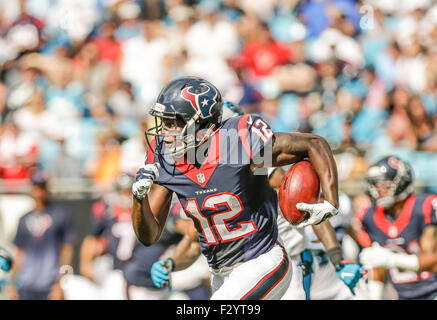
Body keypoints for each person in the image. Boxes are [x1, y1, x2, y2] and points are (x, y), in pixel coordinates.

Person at [131, 76, 340, 300]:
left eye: (173, 123)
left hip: (262, 260)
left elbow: (313, 144)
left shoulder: (237, 142)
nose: (164, 132)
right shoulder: (167, 159)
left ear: (201, 124)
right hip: (222, 274)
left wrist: (330, 201)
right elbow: (149, 236)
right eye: (164, 122)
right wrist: (138, 198)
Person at [356, 155, 437, 300]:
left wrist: (392, 260)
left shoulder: (424, 208)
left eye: (384, 185)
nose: (378, 190)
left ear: (401, 182)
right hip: (404, 296)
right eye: (375, 185)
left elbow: (434, 262)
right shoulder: (370, 216)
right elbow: (378, 264)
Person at [6, 170, 76, 300]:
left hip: (50, 285)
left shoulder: (60, 215)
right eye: (36, 188)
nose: (39, 193)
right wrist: (12, 283)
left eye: (42, 188)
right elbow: (20, 253)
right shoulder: (24, 219)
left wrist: (60, 284)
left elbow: (66, 251)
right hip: (27, 284)